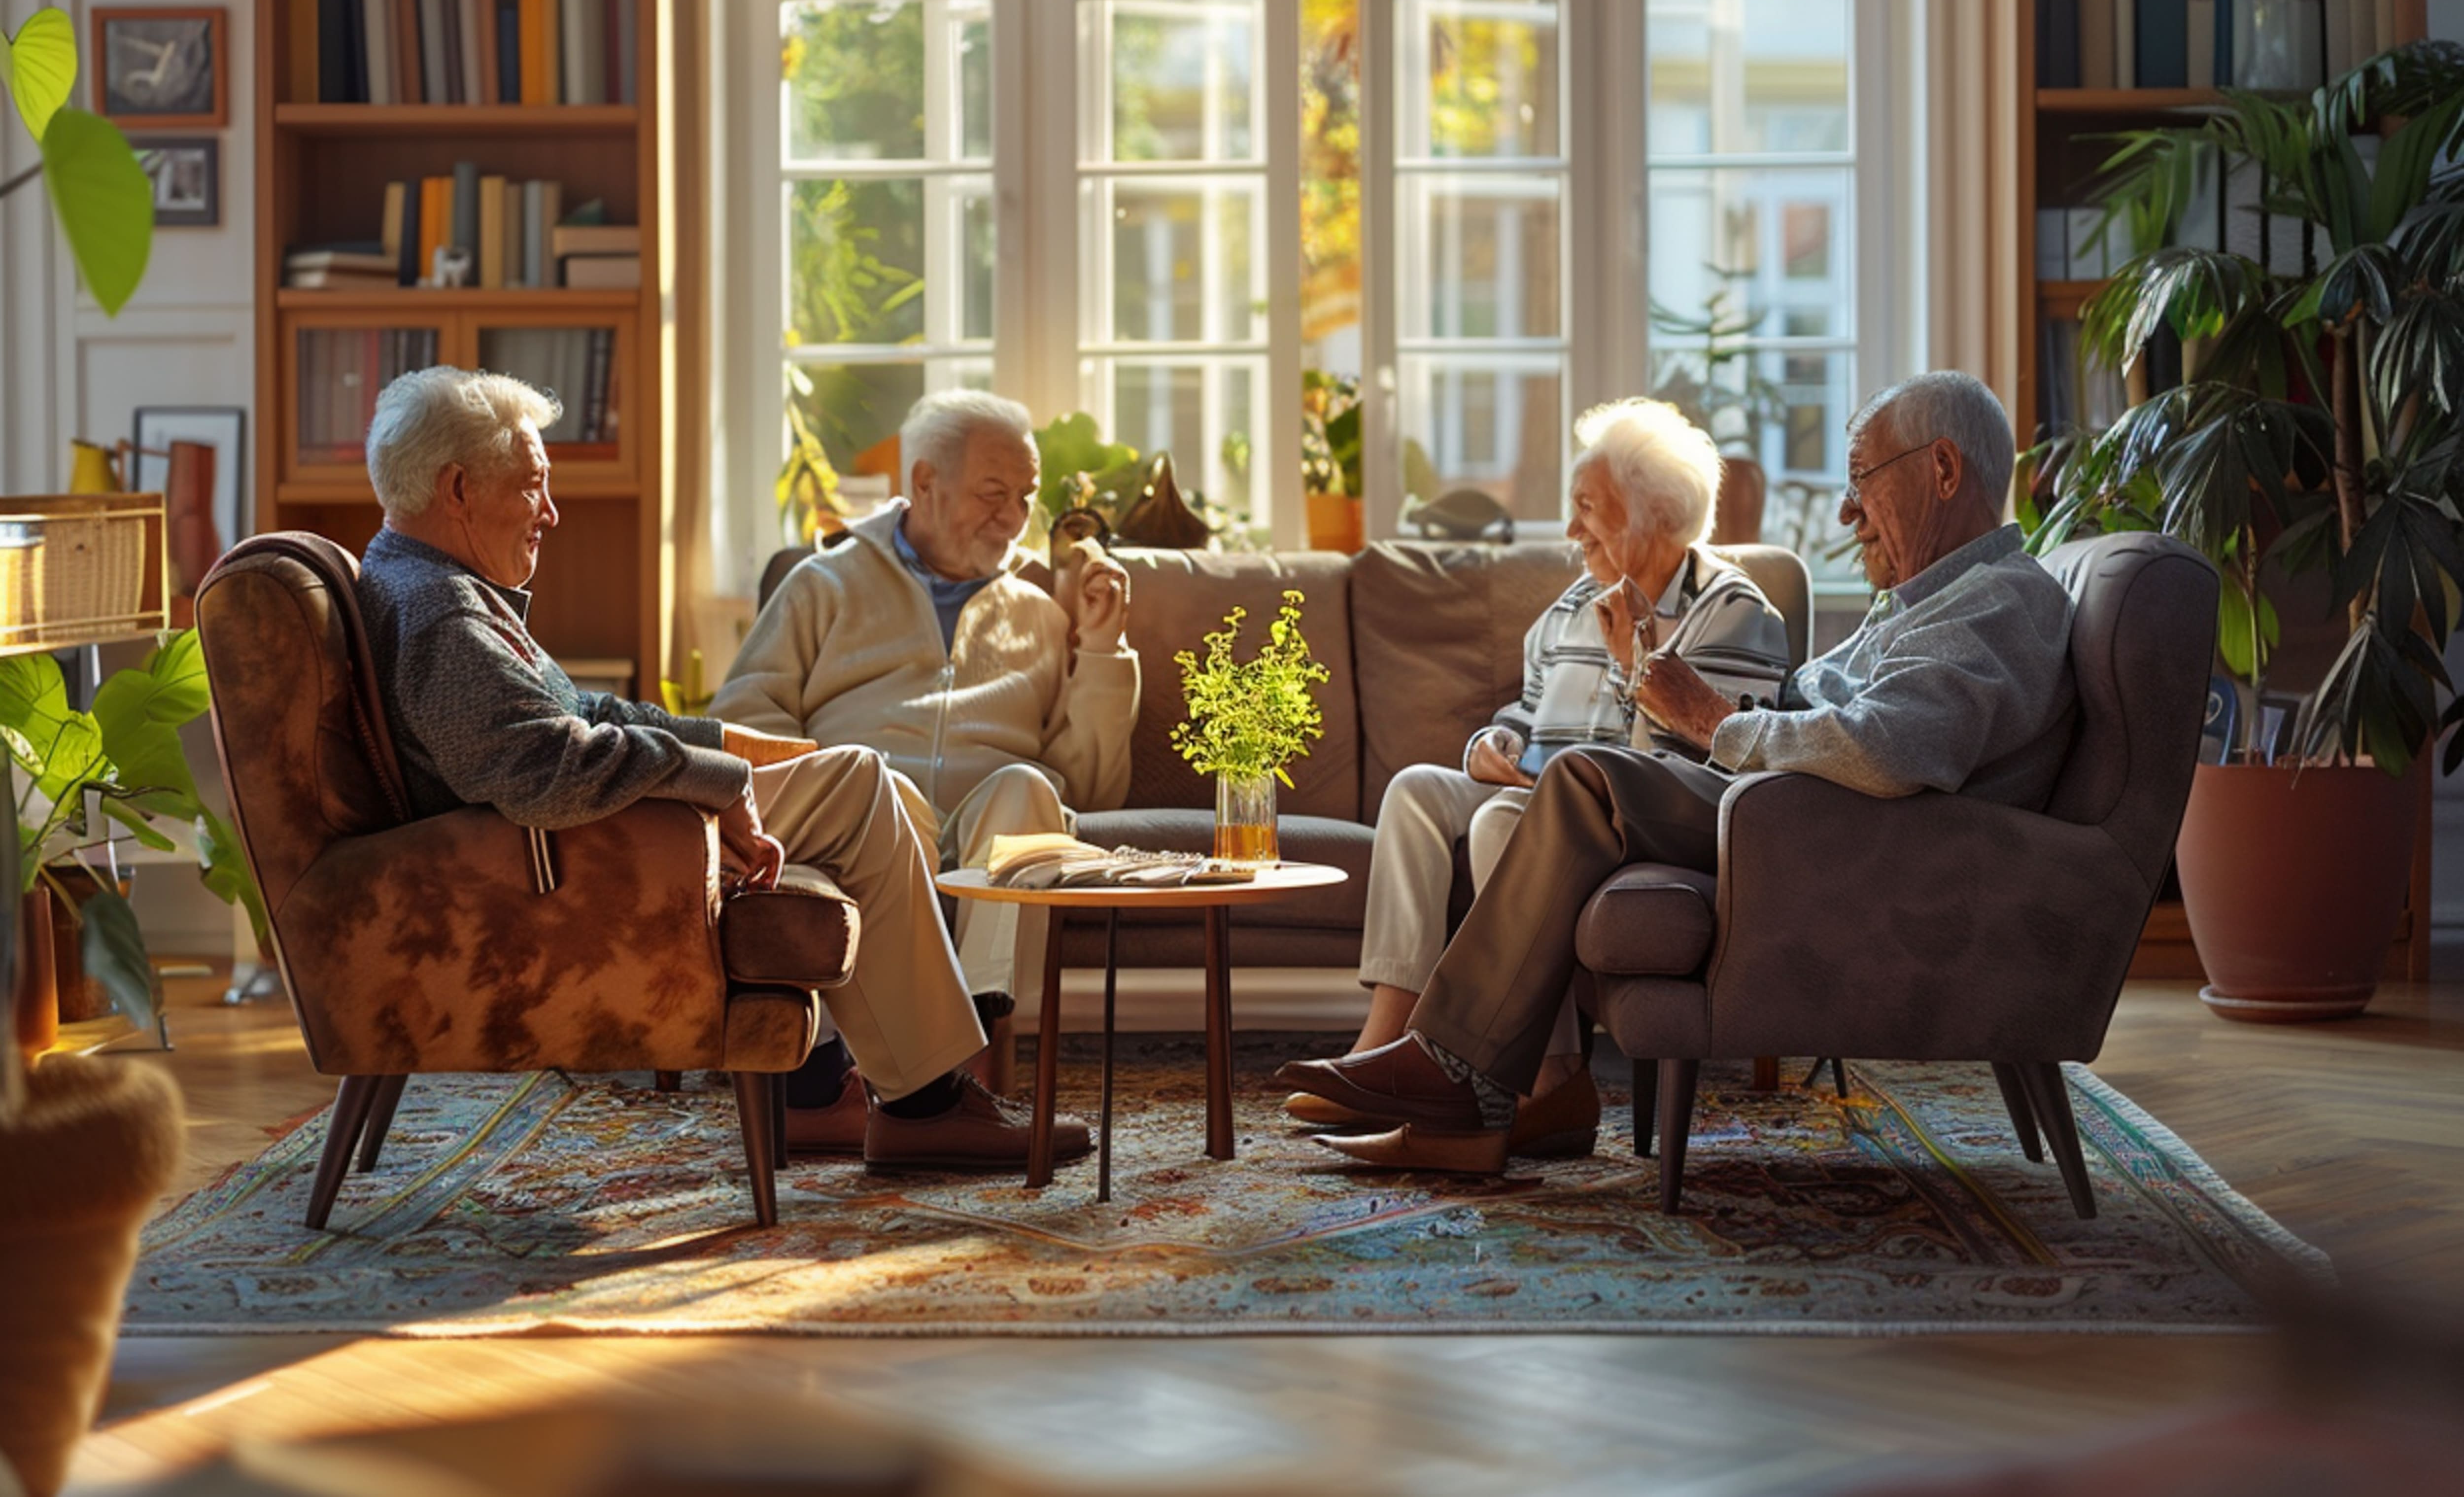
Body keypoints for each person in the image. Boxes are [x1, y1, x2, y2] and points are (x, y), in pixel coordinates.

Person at [1276, 371, 2079, 1172]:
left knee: (1585, 777)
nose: (1846, 509)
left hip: (1826, 832)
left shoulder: (1999, 602)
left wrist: (1710, 719)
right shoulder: (1920, 603)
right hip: (1790, 807)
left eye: (1862, 478)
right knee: (1563, 781)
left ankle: (1448, 1071)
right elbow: (1820, 708)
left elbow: (1886, 751)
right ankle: (1461, 1106)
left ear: (1943, 469)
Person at [356, 367, 1087, 1173]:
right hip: (585, 858)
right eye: (533, 486)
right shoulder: (444, 616)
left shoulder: (437, 589)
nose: (551, 513)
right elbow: (543, 770)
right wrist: (718, 777)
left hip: (596, 838)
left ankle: (823, 1089)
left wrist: (721, 743)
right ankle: (923, 1106)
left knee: (847, 786)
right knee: (860, 783)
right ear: (457, 488)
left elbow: (578, 717)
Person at [1292, 399, 1788, 1157]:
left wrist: (1635, 669)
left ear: (1654, 517)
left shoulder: (1734, 615)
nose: (1571, 531)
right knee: (1420, 789)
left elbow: (1704, 767)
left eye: (1590, 509)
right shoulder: (1569, 608)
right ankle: (1387, 1035)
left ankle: (1551, 1078)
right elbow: (1525, 712)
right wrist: (1491, 743)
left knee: (1500, 822)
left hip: (1612, 826)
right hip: (1532, 790)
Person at [708, 389, 1138, 1143]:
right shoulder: (824, 583)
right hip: (872, 819)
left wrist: (1101, 650)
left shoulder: (1041, 612)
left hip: (989, 835)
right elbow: (748, 722)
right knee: (882, 789)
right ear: (924, 482)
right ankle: (923, 1096)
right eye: (991, 493)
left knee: (1027, 787)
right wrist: (842, 776)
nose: (1011, 517)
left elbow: (1091, 784)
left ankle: (964, 1068)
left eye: (1025, 498)